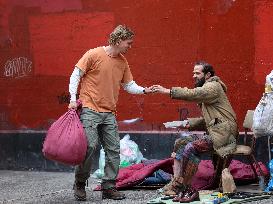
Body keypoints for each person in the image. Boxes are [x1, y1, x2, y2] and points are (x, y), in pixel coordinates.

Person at [68, 25, 152, 201]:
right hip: (90, 108)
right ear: (119, 40)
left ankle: (108, 187)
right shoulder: (94, 54)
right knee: (89, 146)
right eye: (129, 43)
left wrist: (145, 90)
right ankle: (80, 183)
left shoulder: (122, 62)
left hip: (109, 112)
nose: (130, 46)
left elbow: (128, 85)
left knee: (114, 150)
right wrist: (73, 99)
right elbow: (76, 75)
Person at [151, 61, 238, 202]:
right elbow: (211, 121)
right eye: (193, 73)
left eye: (197, 73)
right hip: (217, 133)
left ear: (208, 75)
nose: (194, 76)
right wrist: (186, 123)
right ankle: (177, 184)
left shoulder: (213, 86)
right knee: (181, 142)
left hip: (224, 136)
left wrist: (167, 91)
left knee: (191, 148)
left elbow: (194, 94)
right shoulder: (208, 89)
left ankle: (186, 188)